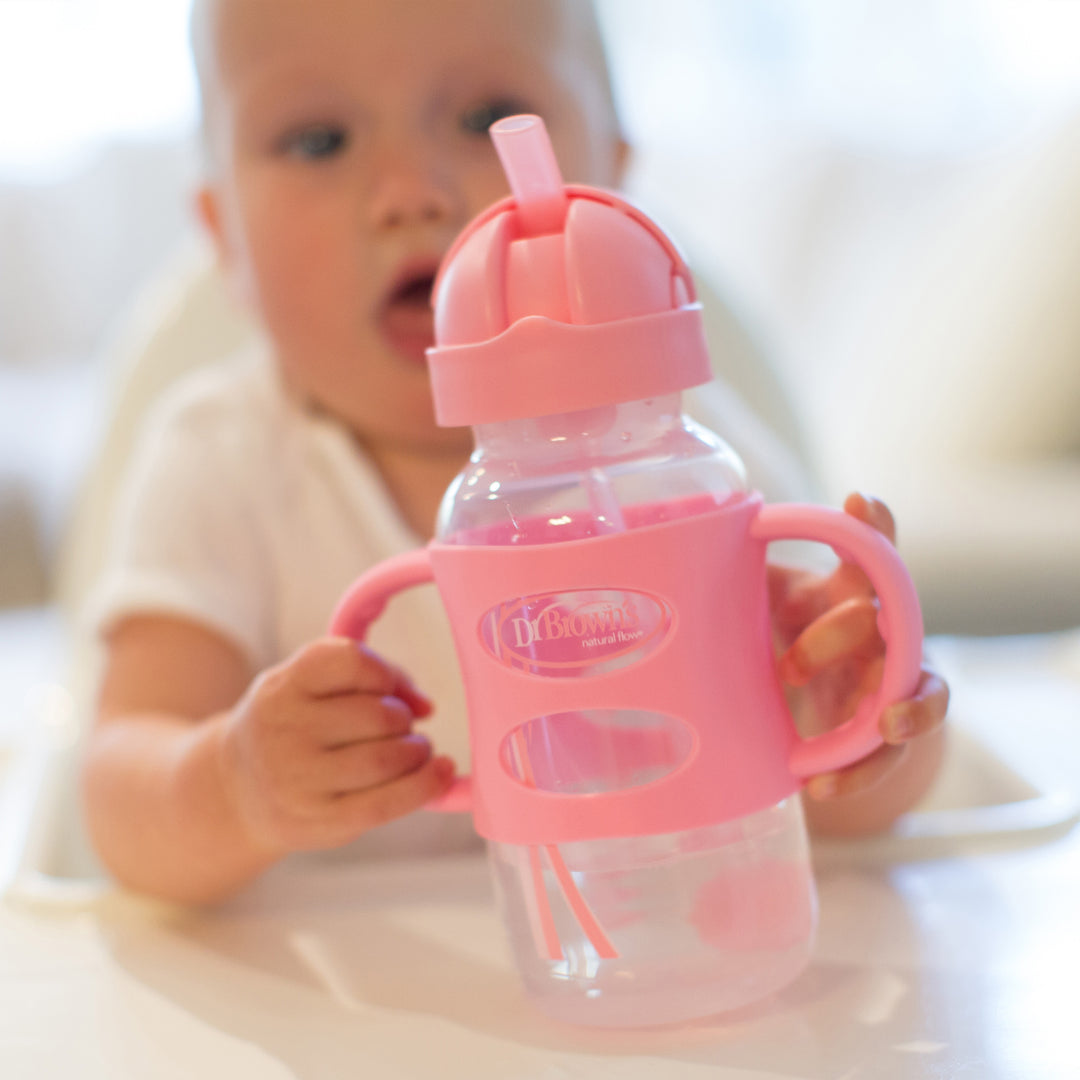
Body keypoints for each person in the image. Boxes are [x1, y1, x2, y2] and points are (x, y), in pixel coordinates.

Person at [80, 0, 948, 905]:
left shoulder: (685, 453)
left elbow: (854, 812)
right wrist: (233, 787)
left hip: (675, 954)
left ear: (614, 176)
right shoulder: (222, 463)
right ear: (225, 238)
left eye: (486, 119)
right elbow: (114, 791)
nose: (411, 190)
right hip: (358, 1012)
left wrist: (862, 710)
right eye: (317, 141)